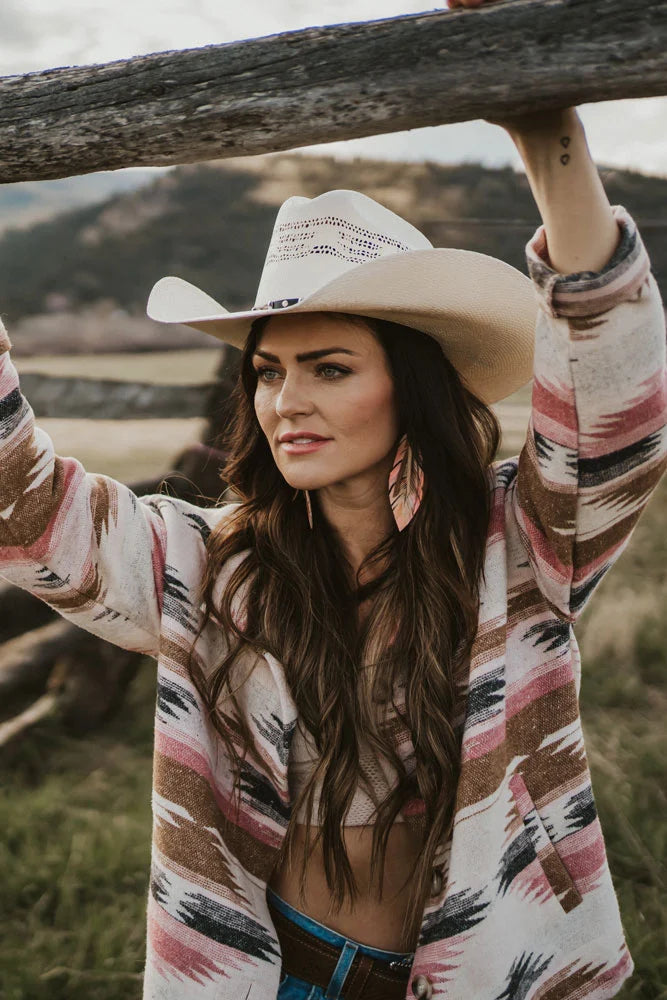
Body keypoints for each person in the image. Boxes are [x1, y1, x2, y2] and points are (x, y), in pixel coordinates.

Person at [1, 55, 666, 1000]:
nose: (285, 404)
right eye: (268, 373)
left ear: (413, 384)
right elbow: (31, 515)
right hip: (279, 979)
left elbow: (618, 414)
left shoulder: (518, 546)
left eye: (330, 368)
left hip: (487, 980)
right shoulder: (207, 561)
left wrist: (544, 132)